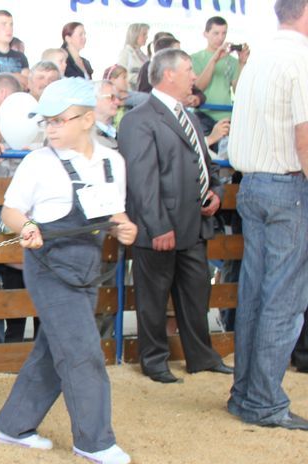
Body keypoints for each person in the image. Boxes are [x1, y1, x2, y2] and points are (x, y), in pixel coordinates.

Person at [0, 77, 137, 464]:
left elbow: (111, 209)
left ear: (88, 119)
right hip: (49, 267)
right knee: (82, 352)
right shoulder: (38, 162)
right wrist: (25, 228)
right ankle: (94, 440)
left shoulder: (112, 161)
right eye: (47, 122)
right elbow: (11, 211)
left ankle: (12, 425)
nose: (51, 128)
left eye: (59, 120)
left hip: (88, 268)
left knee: (56, 347)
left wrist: (125, 226)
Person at [118, 48, 233, 384]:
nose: (194, 76)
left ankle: (202, 356)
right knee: (152, 298)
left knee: (197, 295)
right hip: (160, 228)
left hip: (194, 224)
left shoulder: (190, 117)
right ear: (168, 75)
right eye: (188, 70)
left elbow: (206, 163)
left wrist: (215, 191)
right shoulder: (138, 119)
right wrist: (158, 226)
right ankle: (154, 361)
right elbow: (142, 180)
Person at [227, 0, 308, 431]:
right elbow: (305, 136)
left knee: (255, 293)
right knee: (285, 299)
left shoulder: (257, 58)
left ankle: (245, 394)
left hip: (253, 185)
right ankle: (264, 401)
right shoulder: (301, 60)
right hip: (287, 186)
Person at [191, 16, 250, 135]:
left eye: (224, 33)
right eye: (216, 33)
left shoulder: (232, 61)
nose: (220, 38)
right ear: (205, 34)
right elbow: (197, 88)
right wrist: (214, 60)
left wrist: (242, 63)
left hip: (226, 116)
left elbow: (238, 91)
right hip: (203, 114)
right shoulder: (195, 58)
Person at [117, 23, 149, 90]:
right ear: (135, 35)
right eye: (144, 34)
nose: (147, 37)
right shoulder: (125, 53)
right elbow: (121, 75)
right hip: (132, 90)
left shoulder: (142, 54)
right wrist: (143, 78)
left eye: (146, 34)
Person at [93, 80, 120, 149]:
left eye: (118, 97)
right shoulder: (87, 137)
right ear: (94, 100)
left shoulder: (117, 132)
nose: (117, 102)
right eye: (112, 97)